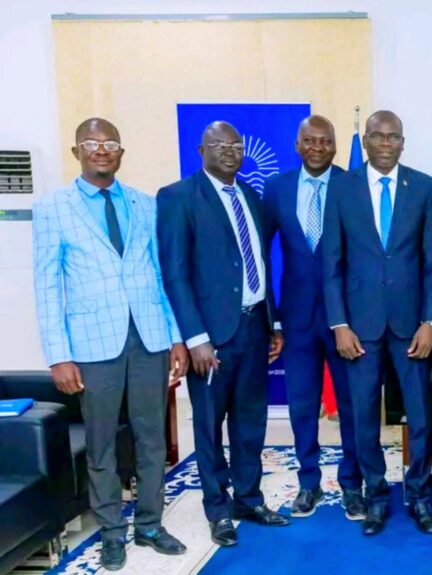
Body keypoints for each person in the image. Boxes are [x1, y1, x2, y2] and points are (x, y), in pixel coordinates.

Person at [33, 118, 189, 570]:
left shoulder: (143, 204)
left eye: (111, 143)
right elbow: (47, 286)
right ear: (76, 152)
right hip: (92, 344)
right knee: (101, 443)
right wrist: (58, 355)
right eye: (92, 143)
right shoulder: (53, 208)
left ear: (121, 152)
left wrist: (175, 336)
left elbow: (160, 274)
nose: (102, 150)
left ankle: (150, 524)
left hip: (148, 337)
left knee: (152, 437)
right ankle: (112, 532)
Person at [157, 121, 290, 547]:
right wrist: (195, 338)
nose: (230, 152)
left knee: (250, 421)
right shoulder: (178, 197)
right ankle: (217, 510)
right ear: (201, 150)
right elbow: (175, 273)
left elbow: (259, 263)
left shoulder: (250, 195)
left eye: (236, 145)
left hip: (254, 327)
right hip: (210, 337)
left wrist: (272, 321)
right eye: (220, 145)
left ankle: (248, 500)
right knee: (210, 425)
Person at [322, 110, 432, 536]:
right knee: (363, 417)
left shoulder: (423, 187)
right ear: (366, 141)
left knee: (420, 415)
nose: (386, 144)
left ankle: (419, 495)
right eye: (378, 136)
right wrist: (339, 323)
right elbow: (331, 262)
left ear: (403, 142)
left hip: (412, 325)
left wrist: (430, 321)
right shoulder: (342, 188)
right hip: (359, 326)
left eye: (394, 137)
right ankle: (375, 496)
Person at [262, 115, 365, 519]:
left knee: (352, 406)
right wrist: (272, 317)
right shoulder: (277, 188)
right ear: (297, 144)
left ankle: (352, 483)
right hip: (297, 318)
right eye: (310, 140)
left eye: (325, 141)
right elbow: (260, 253)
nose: (318, 147)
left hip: (347, 320)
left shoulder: (352, 184)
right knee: (302, 405)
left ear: (336, 146)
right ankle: (309, 482)